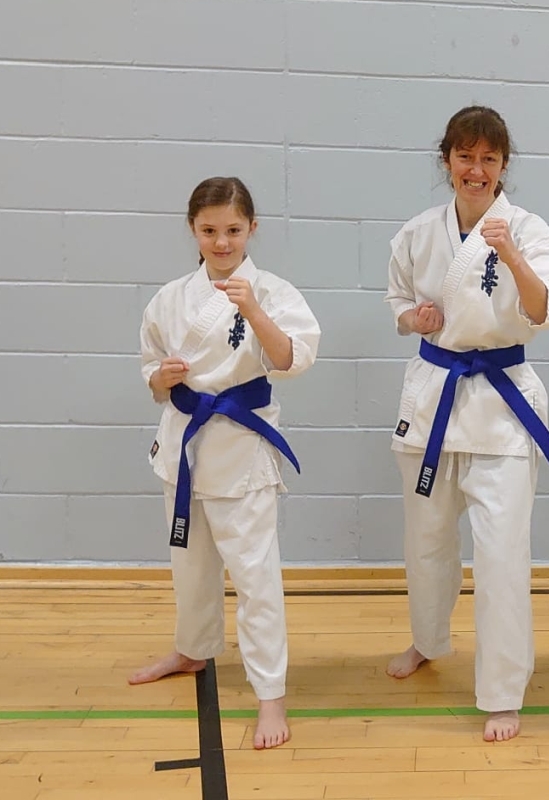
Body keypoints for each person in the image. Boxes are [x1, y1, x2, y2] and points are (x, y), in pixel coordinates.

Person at [383, 106, 549, 743]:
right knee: (427, 542)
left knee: (500, 556)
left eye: (489, 159)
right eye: (465, 157)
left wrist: (511, 253)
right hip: (434, 396)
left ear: (503, 167)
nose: (476, 170)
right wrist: (415, 320)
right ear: (447, 162)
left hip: (501, 405)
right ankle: (429, 642)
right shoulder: (414, 234)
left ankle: (502, 691)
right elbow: (398, 305)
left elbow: (545, 310)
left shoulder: (530, 230)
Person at [130, 176, 321, 750]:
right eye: (209, 230)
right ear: (193, 229)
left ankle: (271, 695)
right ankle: (192, 648)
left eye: (233, 230)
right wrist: (158, 379)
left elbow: (292, 358)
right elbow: (152, 367)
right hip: (185, 444)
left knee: (256, 577)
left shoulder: (275, 291)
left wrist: (255, 310)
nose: (221, 241)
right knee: (189, 565)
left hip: (241, 449)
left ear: (252, 230)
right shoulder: (169, 297)